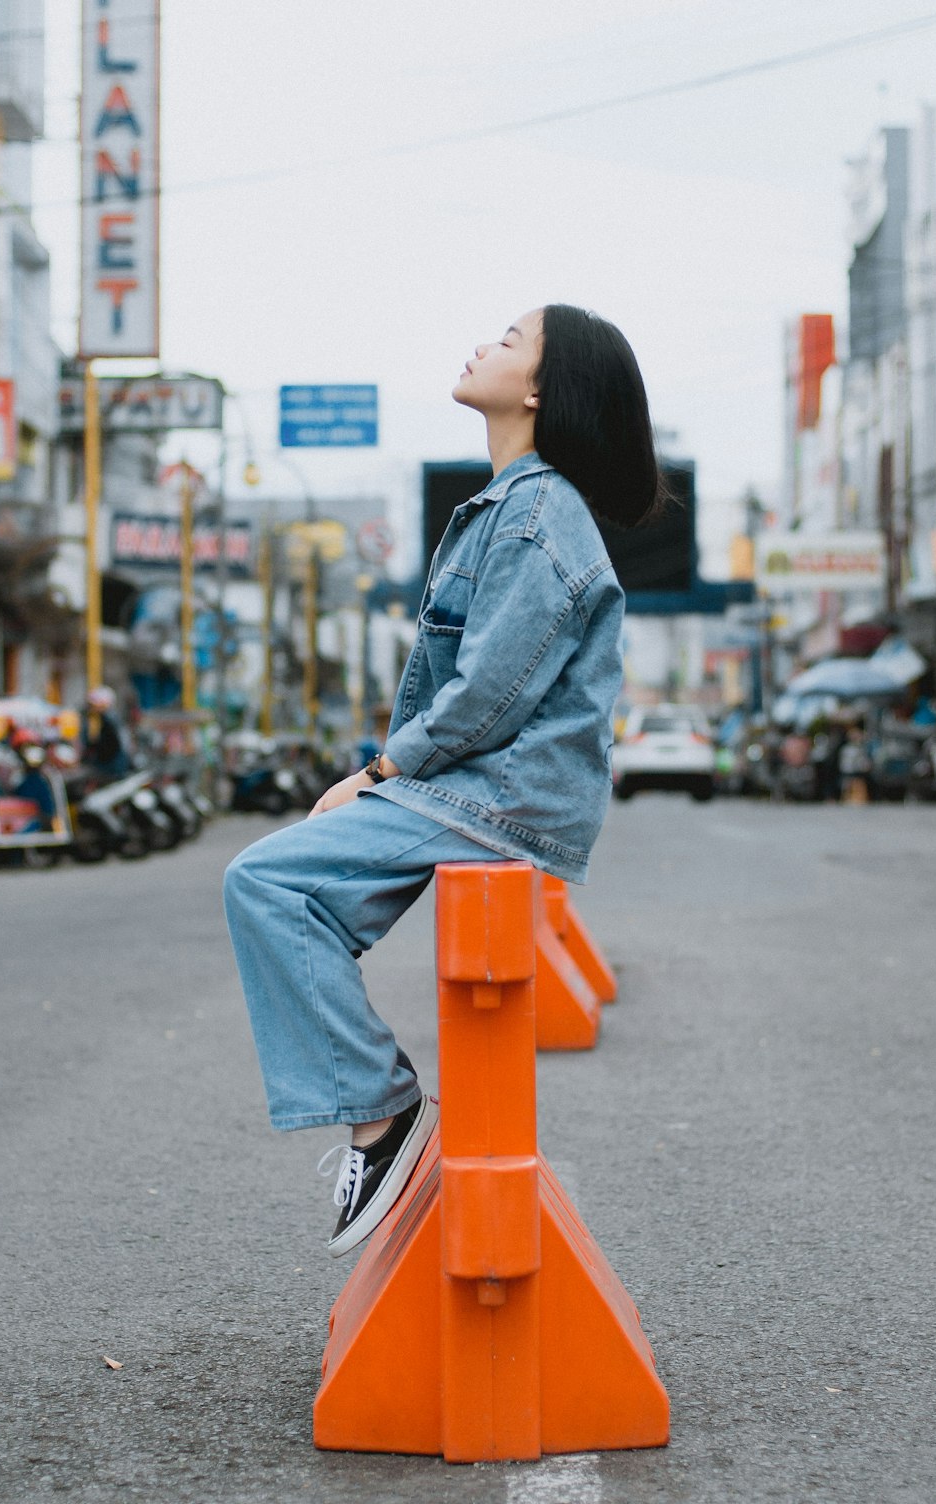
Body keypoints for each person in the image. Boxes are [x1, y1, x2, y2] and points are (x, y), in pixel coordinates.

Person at [223, 305, 662, 1257]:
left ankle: (381, 1118)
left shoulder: (538, 513)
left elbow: (491, 693)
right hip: (486, 790)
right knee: (301, 899)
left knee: (266, 879)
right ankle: (376, 1110)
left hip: (497, 793)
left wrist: (376, 773)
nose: (483, 344)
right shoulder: (511, 503)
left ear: (542, 390)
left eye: (510, 341)